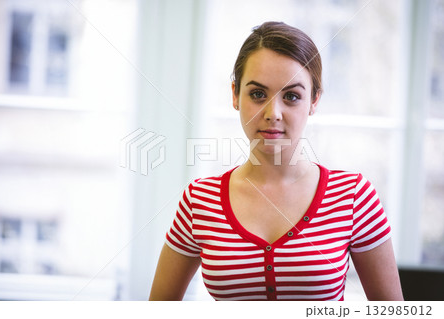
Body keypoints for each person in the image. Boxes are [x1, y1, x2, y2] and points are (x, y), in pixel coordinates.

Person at [149, 21, 403, 301]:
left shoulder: (353, 197)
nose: (274, 113)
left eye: (292, 96)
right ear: (235, 94)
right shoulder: (200, 201)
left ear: (314, 101)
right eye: (258, 94)